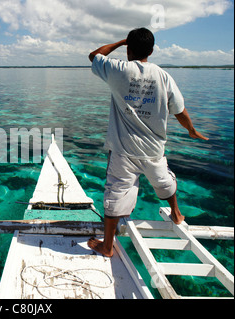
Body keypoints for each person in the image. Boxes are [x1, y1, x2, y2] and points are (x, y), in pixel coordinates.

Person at [87, 28, 208, 257]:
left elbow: (95, 55)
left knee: (116, 194)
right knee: (164, 182)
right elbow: (179, 111)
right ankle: (176, 213)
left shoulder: (118, 69)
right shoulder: (164, 76)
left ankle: (108, 246)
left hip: (124, 151)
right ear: (151, 51)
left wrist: (121, 41)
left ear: (128, 50)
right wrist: (191, 130)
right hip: (154, 150)